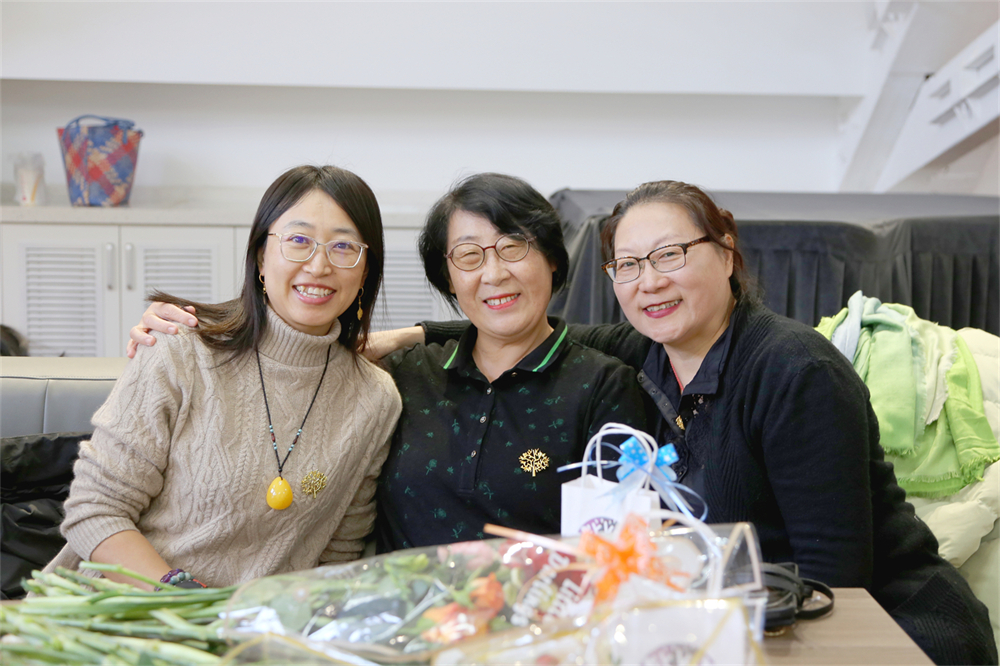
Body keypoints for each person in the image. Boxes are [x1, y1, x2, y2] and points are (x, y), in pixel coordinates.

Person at [413, 180, 997, 665]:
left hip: (887, 632)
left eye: (670, 255)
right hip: (750, 625)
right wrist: (414, 335)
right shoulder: (645, 351)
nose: (649, 282)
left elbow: (834, 579)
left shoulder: (795, 371)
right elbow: (529, 329)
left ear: (726, 250)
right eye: (628, 265)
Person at [127, 173, 646, 551]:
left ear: (553, 259)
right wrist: (200, 328)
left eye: (513, 248)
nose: (493, 273)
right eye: (469, 256)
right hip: (397, 634)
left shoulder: (604, 388)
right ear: (448, 279)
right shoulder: (402, 377)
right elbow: (289, 346)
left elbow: (616, 552)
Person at [46, 165, 402, 590]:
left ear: (365, 271)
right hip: (122, 607)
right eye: (298, 241)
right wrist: (187, 603)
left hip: (253, 628)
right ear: (261, 257)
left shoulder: (375, 399)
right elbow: (95, 509)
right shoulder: (181, 350)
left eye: (344, 247)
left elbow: (338, 555)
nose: (319, 265)